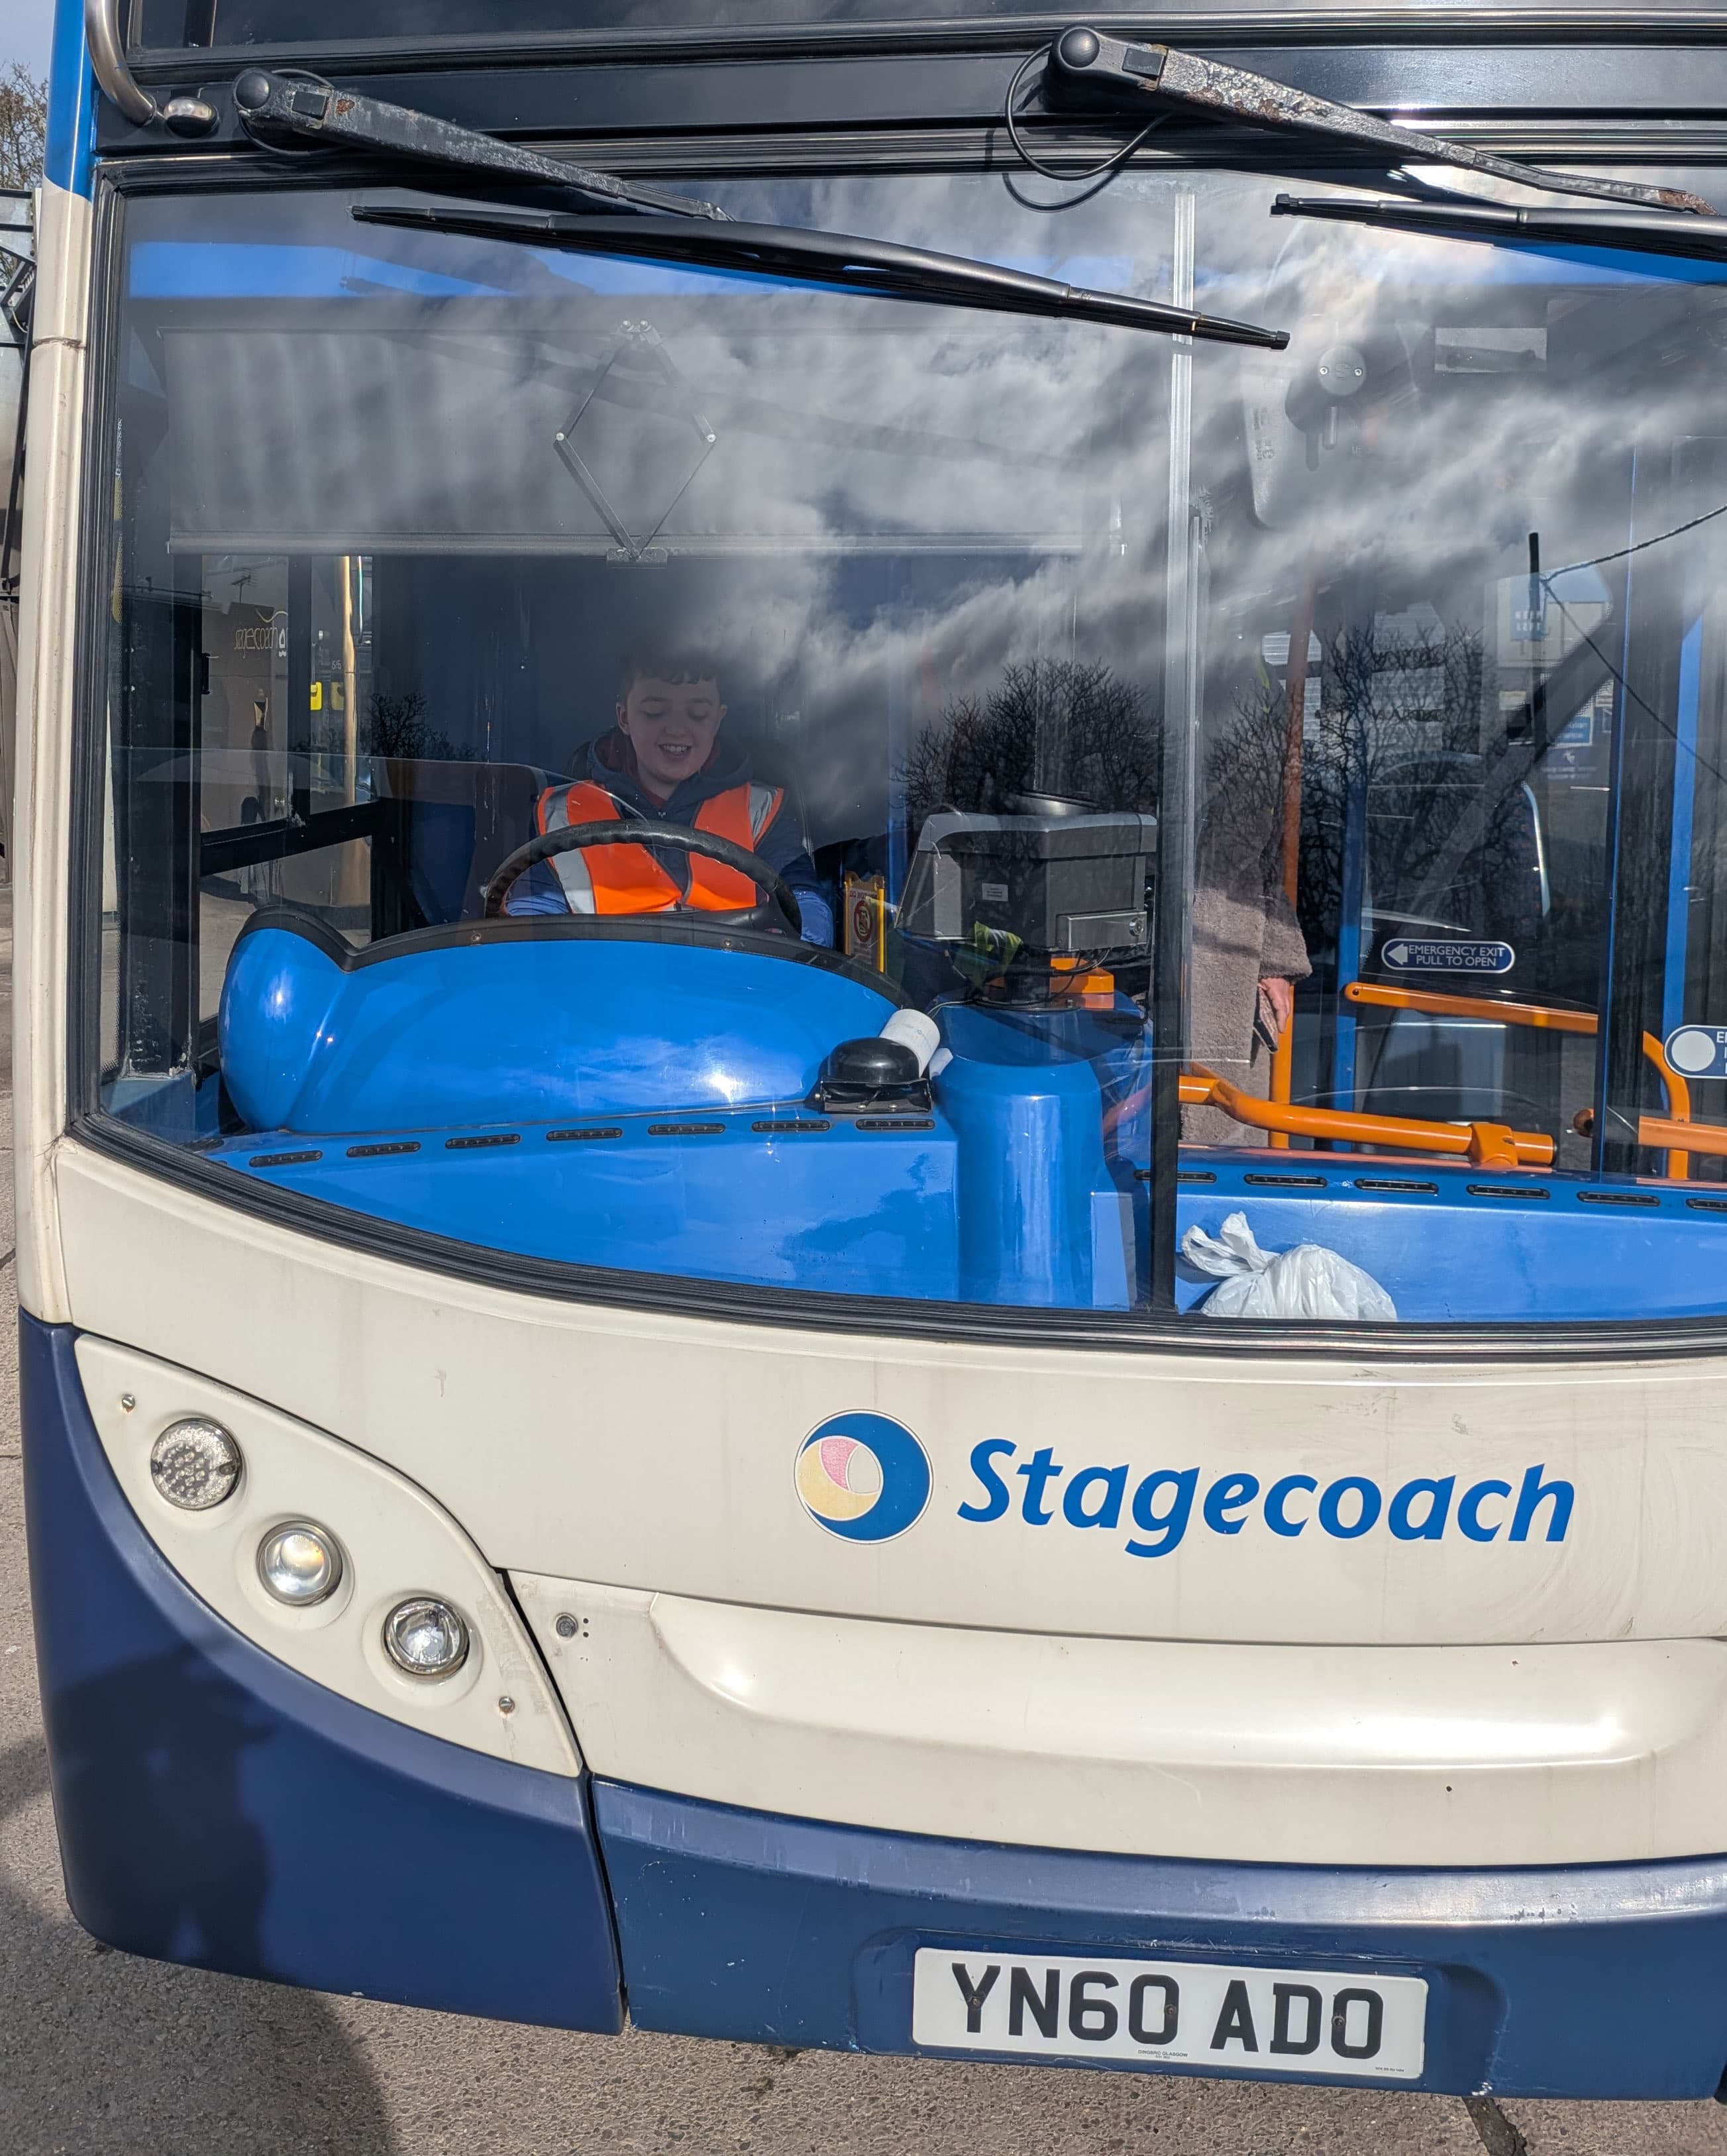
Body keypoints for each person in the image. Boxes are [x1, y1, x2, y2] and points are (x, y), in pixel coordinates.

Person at [507, 641, 833, 944]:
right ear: (624, 717)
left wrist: (791, 949)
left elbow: (805, 906)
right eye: (655, 711)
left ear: (719, 719)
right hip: (601, 994)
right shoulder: (559, 815)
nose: (677, 728)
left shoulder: (762, 812)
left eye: (697, 713)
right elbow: (532, 923)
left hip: (735, 993)